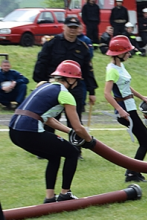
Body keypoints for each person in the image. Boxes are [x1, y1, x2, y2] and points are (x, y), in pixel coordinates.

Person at [9, 60, 93, 204]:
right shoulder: (66, 95)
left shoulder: (44, 86)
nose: (77, 83)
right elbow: (79, 127)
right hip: (30, 131)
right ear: (71, 79)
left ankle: (49, 198)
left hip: (14, 132)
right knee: (72, 152)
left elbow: (47, 119)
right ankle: (65, 194)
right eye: (77, 80)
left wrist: (69, 131)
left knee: (54, 156)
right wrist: (90, 141)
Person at [103, 36, 147, 182]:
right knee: (146, 140)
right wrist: (120, 110)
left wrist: (141, 97)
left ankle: (134, 171)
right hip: (125, 112)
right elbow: (107, 93)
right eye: (127, 52)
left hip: (130, 108)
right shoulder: (112, 70)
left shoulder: (120, 66)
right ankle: (132, 173)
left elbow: (126, 86)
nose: (129, 54)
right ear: (118, 53)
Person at [33, 16, 98, 123]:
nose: (72, 29)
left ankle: (76, 140)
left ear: (79, 29)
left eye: (75, 27)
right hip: (53, 85)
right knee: (50, 121)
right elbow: (41, 62)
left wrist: (92, 91)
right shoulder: (52, 43)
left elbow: (87, 70)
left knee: (75, 121)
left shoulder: (82, 47)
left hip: (74, 87)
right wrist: (41, 81)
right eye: (70, 27)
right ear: (64, 27)